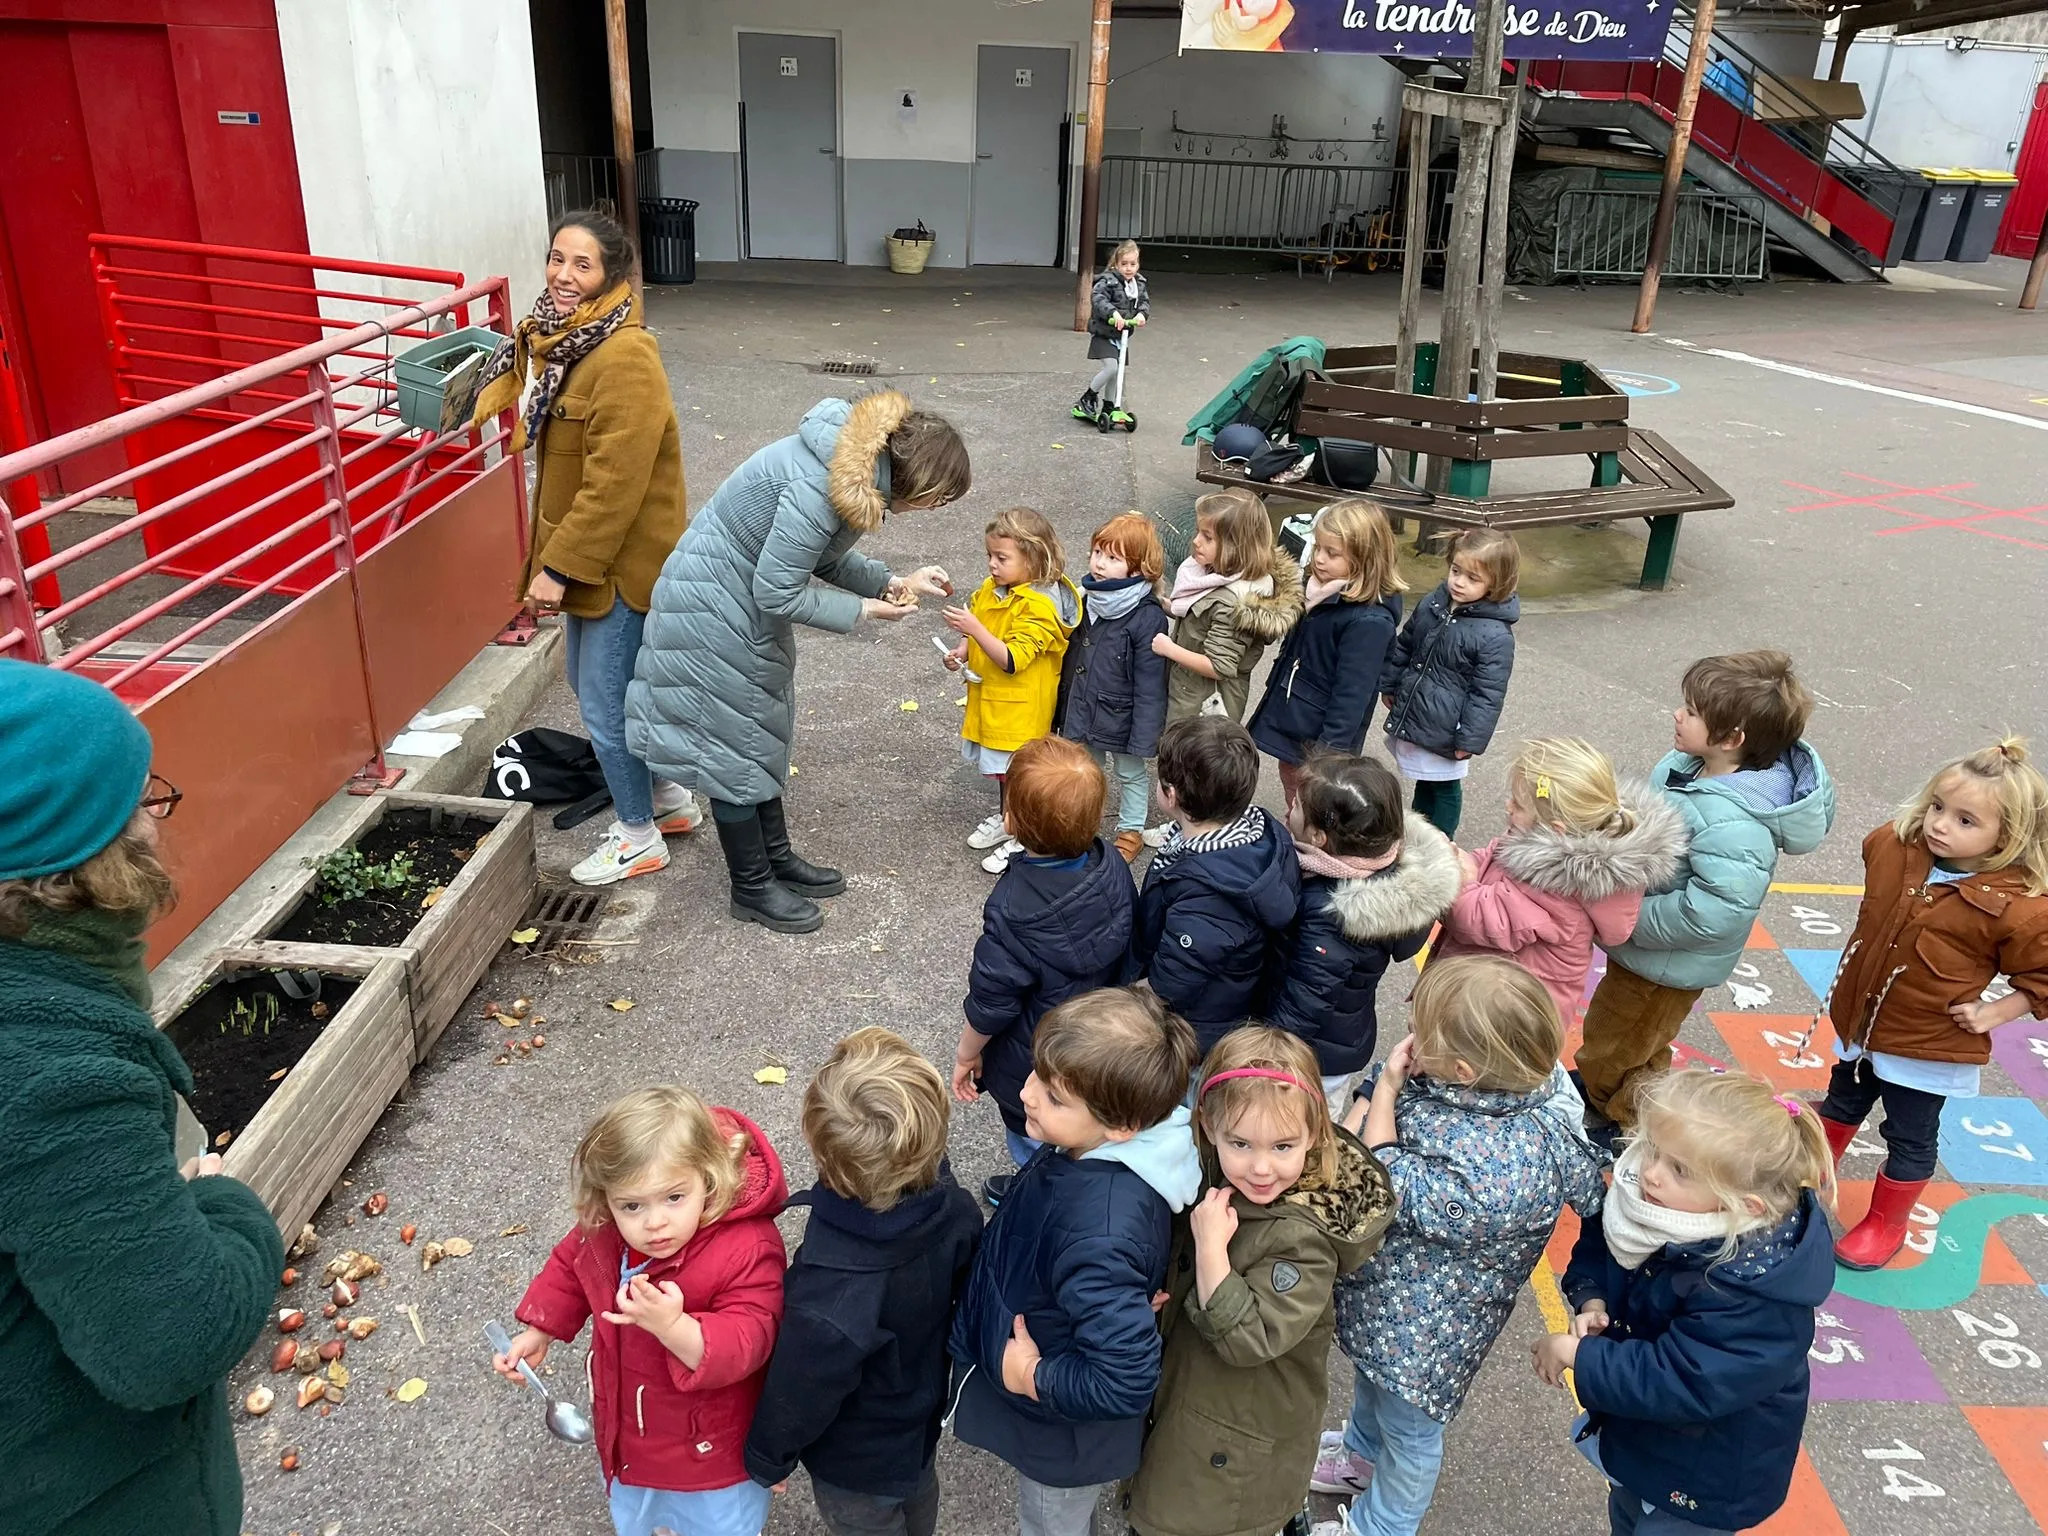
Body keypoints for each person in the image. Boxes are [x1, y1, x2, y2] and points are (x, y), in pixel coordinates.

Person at [0, 659, 285, 1535]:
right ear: (85, 861)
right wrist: (227, 1207)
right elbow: (170, 1340)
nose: (157, 821)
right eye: (139, 804)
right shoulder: (48, 1069)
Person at [626, 389, 968, 934]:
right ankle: (751, 885)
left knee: (759, 731)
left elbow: (823, 557)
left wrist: (893, 580)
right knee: (734, 747)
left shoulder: (849, 471)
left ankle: (774, 858)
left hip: (732, 602)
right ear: (918, 481)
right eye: (940, 498)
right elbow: (778, 592)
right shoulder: (822, 486)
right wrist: (863, 610)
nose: (935, 508)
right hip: (713, 608)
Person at [1313, 957, 1607, 1536]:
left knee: (1411, 1433)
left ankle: (1382, 1526)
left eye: (1424, 1034)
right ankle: (1357, 1456)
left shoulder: (1503, 1164)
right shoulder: (1512, 1089)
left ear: (1467, 1069)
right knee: (1375, 1391)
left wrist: (1388, 1088)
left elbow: (1384, 1180)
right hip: (1391, 1307)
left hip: (1427, 1334)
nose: (1412, 1040)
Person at [472, 208, 703, 886]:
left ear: (612, 276)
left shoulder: (624, 356)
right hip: (598, 562)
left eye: (582, 264)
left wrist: (556, 567)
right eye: (556, 259)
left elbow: (613, 485)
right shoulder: (564, 342)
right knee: (601, 689)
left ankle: (638, 838)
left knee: (605, 704)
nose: (563, 275)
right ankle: (666, 801)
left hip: (621, 566)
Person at [947, 987, 1203, 1536]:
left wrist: (1034, 1375)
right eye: (1038, 1074)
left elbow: (1124, 1379)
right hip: (1055, 1361)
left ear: (1122, 1125)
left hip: (1063, 1436)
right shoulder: (1094, 1147)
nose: (1029, 1094)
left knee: (1049, 1524)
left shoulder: (1100, 1232)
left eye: (1055, 1097)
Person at [1538, 1068, 1836, 1536]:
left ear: (1745, 1205)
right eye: (1654, 1149)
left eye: (1679, 1169)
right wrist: (1591, 1297)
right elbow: (1606, 1243)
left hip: (1705, 1474)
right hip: (1646, 1438)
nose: (1651, 1173)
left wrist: (1580, 1354)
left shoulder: (1750, 1294)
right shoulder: (1669, 1210)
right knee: (1628, 1511)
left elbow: (1682, 1379)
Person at [1121, 1028, 1395, 1536]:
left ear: (1315, 1133)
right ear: (1209, 1126)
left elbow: (1250, 1336)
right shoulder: (1211, 1169)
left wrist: (1209, 1252)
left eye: (1283, 1145)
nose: (1262, 1167)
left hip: (1235, 1444)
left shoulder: (1304, 1241)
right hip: (1196, 1408)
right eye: (1241, 1143)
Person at [497, 1086, 789, 1536]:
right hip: (627, 1429)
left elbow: (749, 1338)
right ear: (606, 1199)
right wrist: (541, 1329)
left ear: (708, 1176)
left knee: (715, 1525)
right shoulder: (607, 1229)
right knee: (643, 1513)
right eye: (631, 1205)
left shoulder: (747, 1246)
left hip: (709, 1452)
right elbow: (572, 1266)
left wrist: (675, 1327)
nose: (654, 1223)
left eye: (674, 1198)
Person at [1576, 651, 1834, 1136]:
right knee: (1634, 1040)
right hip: (1647, 950)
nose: (1678, 714)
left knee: (1614, 1045)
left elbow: (1715, 911)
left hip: (1664, 959)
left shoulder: (1735, 822)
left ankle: (1629, 1124)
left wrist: (1630, 916)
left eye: (1692, 712)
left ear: (1732, 739)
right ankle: (1620, 1099)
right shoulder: (1692, 769)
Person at [1816, 738, 2048, 1268]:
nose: (1941, 825)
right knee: (1841, 1102)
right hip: (1862, 1025)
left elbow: (2043, 975)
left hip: (1926, 1046)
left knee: (1909, 1132)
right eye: (1938, 807)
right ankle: (1806, 1183)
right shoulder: (1896, 849)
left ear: (2008, 837)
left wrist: (1994, 1012)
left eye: (1966, 821)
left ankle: (1885, 1222)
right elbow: (1879, 856)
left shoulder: (2016, 906)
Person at [744, 1029, 984, 1536]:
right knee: (919, 1502)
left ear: (819, 1147)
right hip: (919, 1416)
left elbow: (802, 1386)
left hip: (854, 1460)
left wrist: (768, 1458)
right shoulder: (957, 1210)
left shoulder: (828, 1295)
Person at [954, 738, 1136, 1207]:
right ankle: (1070, 1186)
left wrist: (967, 1054)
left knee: (1033, 1135)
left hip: (1034, 1056)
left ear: (1012, 821)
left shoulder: (1013, 908)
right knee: (1080, 1131)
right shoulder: (1110, 861)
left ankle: (1035, 1195)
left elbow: (992, 998)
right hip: (1096, 1041)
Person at [1432, 738, 1687, 1027]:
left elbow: (1475, 920)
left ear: (1555, 830)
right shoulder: (1536, 842)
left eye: (1517, 803)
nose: (1508, 806)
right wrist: (1462, 860)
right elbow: (1492, 856)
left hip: (1509, 1020)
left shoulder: (1557, 889)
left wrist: (1460, 880)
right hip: (1491, 995)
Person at [1266, 752, 1462, 1117]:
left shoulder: (1334, 914)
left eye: (1295, 805)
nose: (1288, 807)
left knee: (1303, 1118)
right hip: (1344, 1036)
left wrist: (1267, 1051)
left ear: (1318, 837)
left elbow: (1308, 997)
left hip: (1313, 1054)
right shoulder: (1390, 870)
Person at [1129, 717, 1300, 1052]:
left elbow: (1169, 986)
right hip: (1230, 996)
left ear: (1172, 795)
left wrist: (1122, 1000)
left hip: (1195, 1030)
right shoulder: (1262, 829)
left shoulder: (1209, 897)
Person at [947, 507, 1084, 874]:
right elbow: (982, 626)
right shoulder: (996, 589)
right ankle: (1007, 819)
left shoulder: (1040, 605)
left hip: (1021, 711)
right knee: (1005, 775)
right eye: (989, 556)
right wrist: (962, 648)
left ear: (1035, 557)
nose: (992, 564)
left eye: (1001, 558)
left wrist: (974, 630)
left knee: (1021, 776)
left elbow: (1012, 658)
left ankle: (1023, 835)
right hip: (997, 704)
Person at [1248, 498, 1407, 813]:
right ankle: (1297, 829)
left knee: (1315, 800)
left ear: (1366, 559)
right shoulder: (1321, 592)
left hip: (1320, 732)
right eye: (1318, 547)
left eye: (1332, 553)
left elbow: (1353, 695)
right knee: (1292, 783)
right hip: (1297, 712)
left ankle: (1308, 844)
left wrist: (1327, 756)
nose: (1318, 559)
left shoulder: (1369, 622)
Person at [1378, 528, 1521, 839]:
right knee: (1424, 778)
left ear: (1495, 584)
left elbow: (1488, 694)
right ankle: (1420, 831)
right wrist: (1390, 683)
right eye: (1456, 571)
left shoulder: (1494, 636)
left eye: (1472, 578)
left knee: (1444, 786)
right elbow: (1406, 643)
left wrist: (1469, 739)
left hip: (1449, 725)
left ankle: (1441, 839)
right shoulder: (1436, 602)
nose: (1458, 582)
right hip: (1423, 712)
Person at [1056, 512, 1170, 863]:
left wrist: (1144, 736)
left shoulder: (1146, 614)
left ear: (1139, 570)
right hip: (1083, 706)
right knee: (1084, 770)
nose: (1100, 564)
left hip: (1121, 714)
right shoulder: (1087, 597)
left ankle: (1131, 828)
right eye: (1097, 553)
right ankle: (1083, 822)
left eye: (1113, 558)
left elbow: (1151, 684)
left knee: (1131, 772)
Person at [1151, 487, 1302, 735]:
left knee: (1187, 767)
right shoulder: (1218, 574)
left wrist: (1170, 649)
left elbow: (1219, 666)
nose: (1196, 540)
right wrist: (1168, 606)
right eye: (1199, 532)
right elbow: (1202, 621)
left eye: (1207, 537)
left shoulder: (1233, 602)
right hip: (1190, 692)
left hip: (1204, 709)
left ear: (1237, 546)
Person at [1074, 239, 1149, 424]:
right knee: (1111, 368)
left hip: (1122, 336)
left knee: (1118, 373)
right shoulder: (1108, 281)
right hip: (1104, 333)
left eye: (1133, 264)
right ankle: (1087, 398)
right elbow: (1098, 298)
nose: (1129, 268)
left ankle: (1110, 405)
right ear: (1116, 264)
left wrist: (1141, 315)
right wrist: (1113, 314)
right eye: (1124, 264)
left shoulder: (1138, 285)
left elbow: (1145, 303)